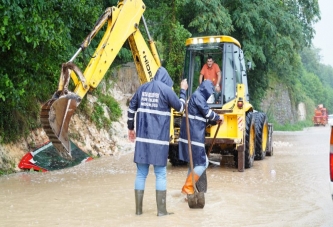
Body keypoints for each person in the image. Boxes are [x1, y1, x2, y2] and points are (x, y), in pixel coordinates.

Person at [127, 66, 188, 216]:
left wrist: (131, 127)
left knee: (141, 174)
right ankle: (161, 212)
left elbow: (131, 108)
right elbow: (180, 107)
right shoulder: (166, 91)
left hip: (142, 141)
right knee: (160, 174)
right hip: (159, 142)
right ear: (166, 80)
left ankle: (138, 211)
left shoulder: (142, 89)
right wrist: (183, 90)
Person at [178, 80, 223, 196]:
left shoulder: (197, 97)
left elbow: (204, 118)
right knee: (203, 163)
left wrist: (215, 121)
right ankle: (188, 188)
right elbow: (207, 113)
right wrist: (218, 116)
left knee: (192, 164)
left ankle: (189, 192)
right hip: (193, 137)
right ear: (207, 91)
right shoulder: (198, 97)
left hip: (191, 136)